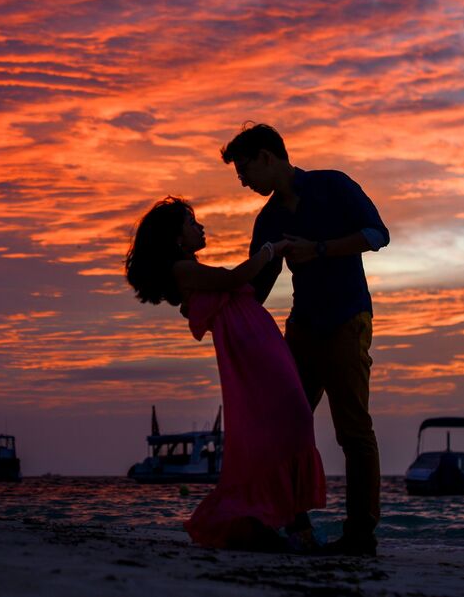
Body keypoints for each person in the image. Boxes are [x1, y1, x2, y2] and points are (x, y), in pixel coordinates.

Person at [221, 123, 389, 556]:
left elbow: (377, 235)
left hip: (348, 319)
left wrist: (318, 249)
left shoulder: (332, 185)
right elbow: (258, 285)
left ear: (267, 156)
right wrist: (218, 309)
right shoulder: (269, 219)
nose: (242, 180)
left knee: (353, 429)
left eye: (244, 169)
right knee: (283, 424)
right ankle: (293, 525)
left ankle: (360, 534)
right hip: (301, 328)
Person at [125, 197, 326, 552]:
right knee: (292, 420)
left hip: (258, 341)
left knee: (290, 422)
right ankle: (288, 525)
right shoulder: (182, 270)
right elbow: (236, 277)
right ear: (176, 238)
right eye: (191, 223)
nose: (199, 227)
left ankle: (282, 523)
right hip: (251, 350)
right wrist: (271, 249)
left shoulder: (190, 269)